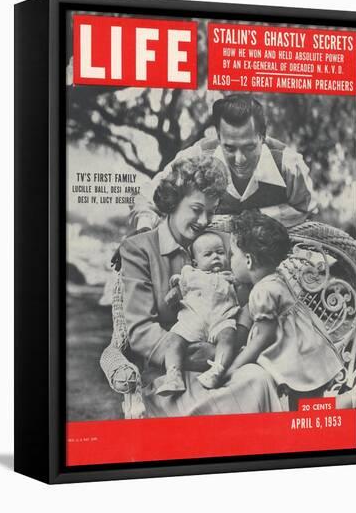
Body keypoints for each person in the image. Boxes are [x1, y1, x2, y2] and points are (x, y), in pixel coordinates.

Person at [119, 154, 284, 417]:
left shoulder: (225, 243)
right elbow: (140, 330)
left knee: (258, 378)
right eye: (197, 210)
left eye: (212, 211)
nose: (205, 220)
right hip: (170, 376)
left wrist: (225, 351)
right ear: (173, 201)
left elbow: (247, 298)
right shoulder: (139, 249)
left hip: (221, 362)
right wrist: (195, 356)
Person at [129, 93, 317, 231]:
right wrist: (144, 232)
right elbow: (147, 197)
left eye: (249, 147)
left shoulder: (288, 165)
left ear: (262, 136)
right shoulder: (198, 156)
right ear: (218, 137)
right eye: (229, 148)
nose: (239, 159)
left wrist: (250, 220)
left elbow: (307, 212)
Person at [228, 211, 344, 393]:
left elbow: (263, 337)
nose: (230, 261)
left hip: (297, 359)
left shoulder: (262, 291)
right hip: (311, 351)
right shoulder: (276, 278)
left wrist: (236, 365)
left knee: (302, 408)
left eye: (232, 255)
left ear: (249, 260)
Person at [156, 231, 240, 395]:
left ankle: (217, 370)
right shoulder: (190, 274)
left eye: (220, 253)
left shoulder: (230, 277)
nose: (215, 257)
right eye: (208, 254)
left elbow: (242, 298)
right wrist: (174, 293)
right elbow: (179, 288)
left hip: (221, 321)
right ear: (195, 262)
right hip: (192, 321)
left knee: (229, 335)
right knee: (173, 339)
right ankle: (173, 375)